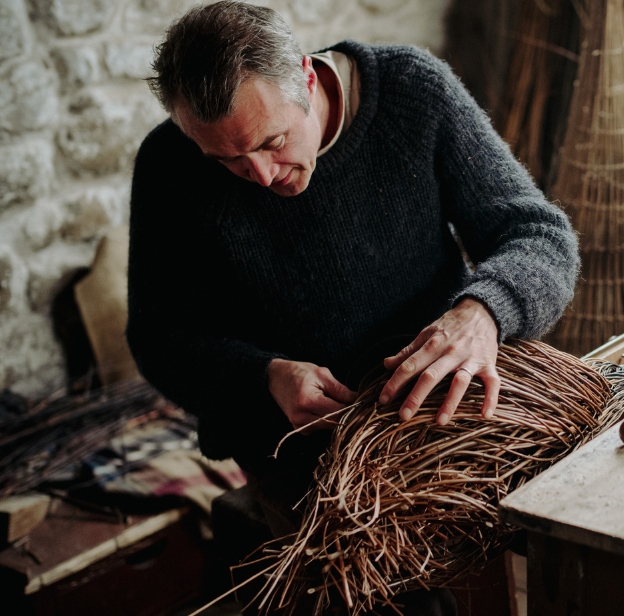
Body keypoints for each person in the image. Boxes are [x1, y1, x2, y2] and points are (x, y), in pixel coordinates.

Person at [125, 2, 578, 610]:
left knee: (516, 574)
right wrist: (263, 377)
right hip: (299, 449)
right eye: (227, 160)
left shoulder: (412, 93)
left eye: (273, 142)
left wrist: (483, 313)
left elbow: (540, 237)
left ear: (308, 81)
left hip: (443, 414)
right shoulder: (169, 166)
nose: (258, 175)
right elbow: (159, 338)